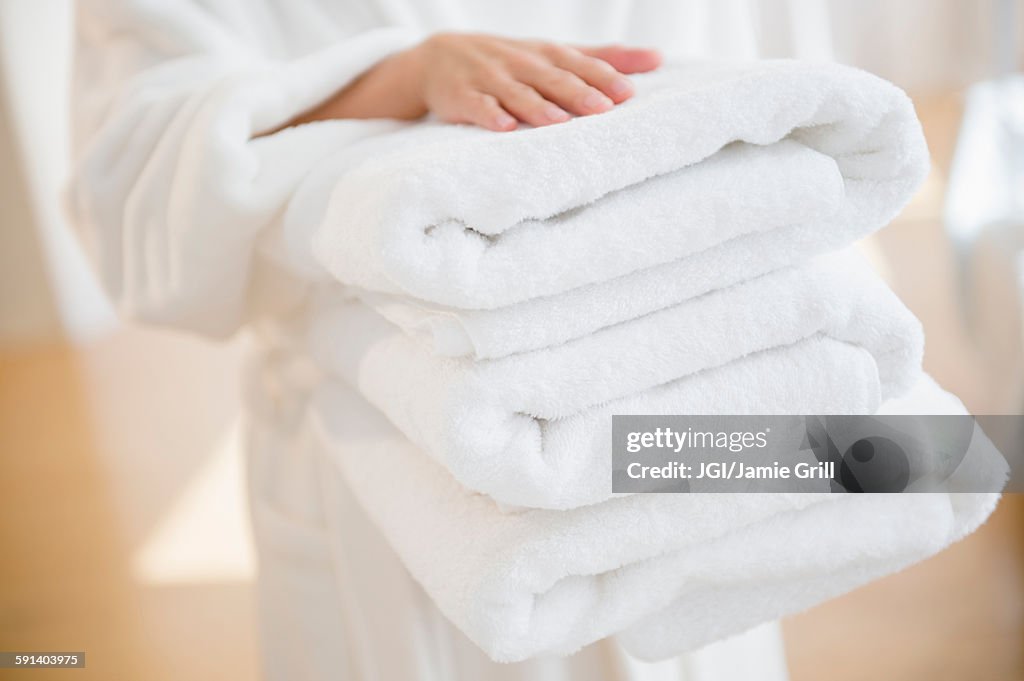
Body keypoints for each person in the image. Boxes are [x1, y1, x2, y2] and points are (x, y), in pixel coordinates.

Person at [70, 1, 789, 679]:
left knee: (694, 625)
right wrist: (399, 80)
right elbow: (132, 180)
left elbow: (775, 129)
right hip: (386, 437)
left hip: (685, 368)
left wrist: (812, 441)